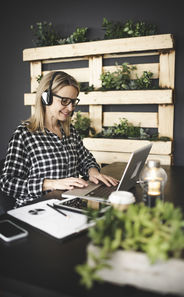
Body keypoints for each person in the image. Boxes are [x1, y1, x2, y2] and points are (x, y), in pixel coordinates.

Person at [0, 71, 118, 207]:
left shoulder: (69, 131)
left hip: (71, 207)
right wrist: (53, 183)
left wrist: (93, 173)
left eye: (73, 102)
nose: (70, 108)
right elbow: (7, 183)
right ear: (46, 98)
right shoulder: (25, 134)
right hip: (37, 211)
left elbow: (86, 160)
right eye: (65, 101)